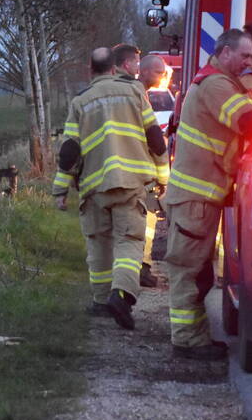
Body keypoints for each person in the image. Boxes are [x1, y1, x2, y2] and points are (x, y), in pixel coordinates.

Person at [52, 47, 169, 330]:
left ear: (89, 70)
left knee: (99, 243)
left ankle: (101, 301)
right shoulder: (133, 92)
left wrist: (60, 189)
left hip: (94, 186)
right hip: (130, 184)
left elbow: (69, 151)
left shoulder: (80, 101)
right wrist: (163, 176)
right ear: (114, 69)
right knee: (129, 242)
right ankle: (122, 294)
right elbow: (155, 137)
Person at [164, 29, 252, 360]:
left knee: (198, 272)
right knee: (188, 270)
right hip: (196, 197)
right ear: (224, 54)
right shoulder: (217, 86)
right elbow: (250, 123)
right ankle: (187, 341)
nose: (249, 62)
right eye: (245, 56)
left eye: (251, 56)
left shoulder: (217, 81)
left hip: (200, 196)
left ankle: (193, 337)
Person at [136, 53, 171, 288]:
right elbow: (156, 139)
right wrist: (163, 178)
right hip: (141, 173)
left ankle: (140, 267)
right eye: (159, 72)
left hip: (129, 171)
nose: (163, 76)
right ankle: (142, 269)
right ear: (145, 71)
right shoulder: (138, 95)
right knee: (145, 224)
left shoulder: (138, 93)